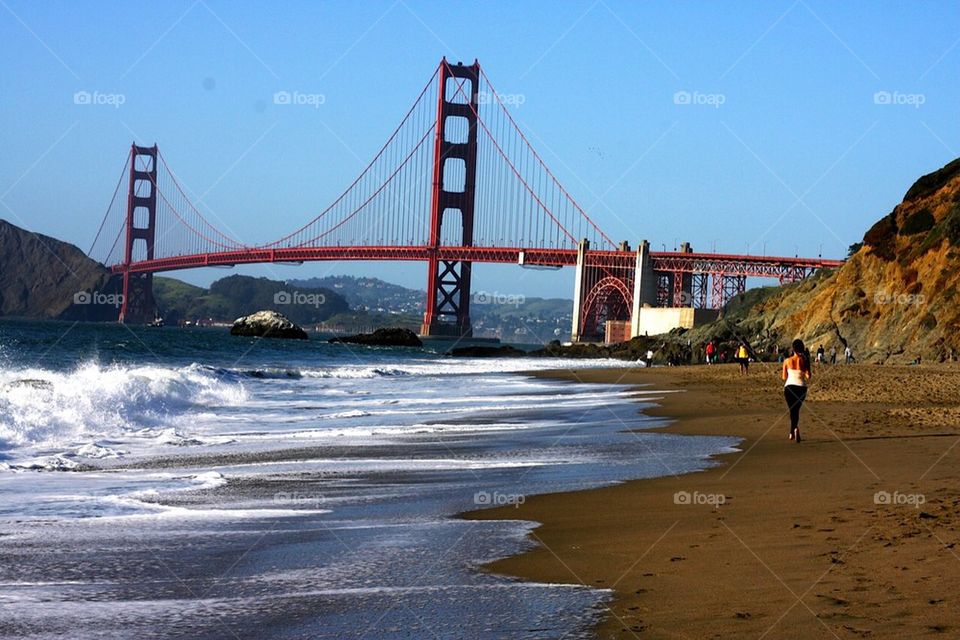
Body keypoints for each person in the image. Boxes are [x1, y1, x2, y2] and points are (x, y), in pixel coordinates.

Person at [782, 339, 812, 442]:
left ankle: (793, 431)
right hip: (801, 387)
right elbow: (808, 376)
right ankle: (793, 430)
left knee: (792, 410)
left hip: (789, 387)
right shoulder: (805, 360)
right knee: (796, 410)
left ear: (793, 348)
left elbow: (784, 377)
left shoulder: (787, 361)